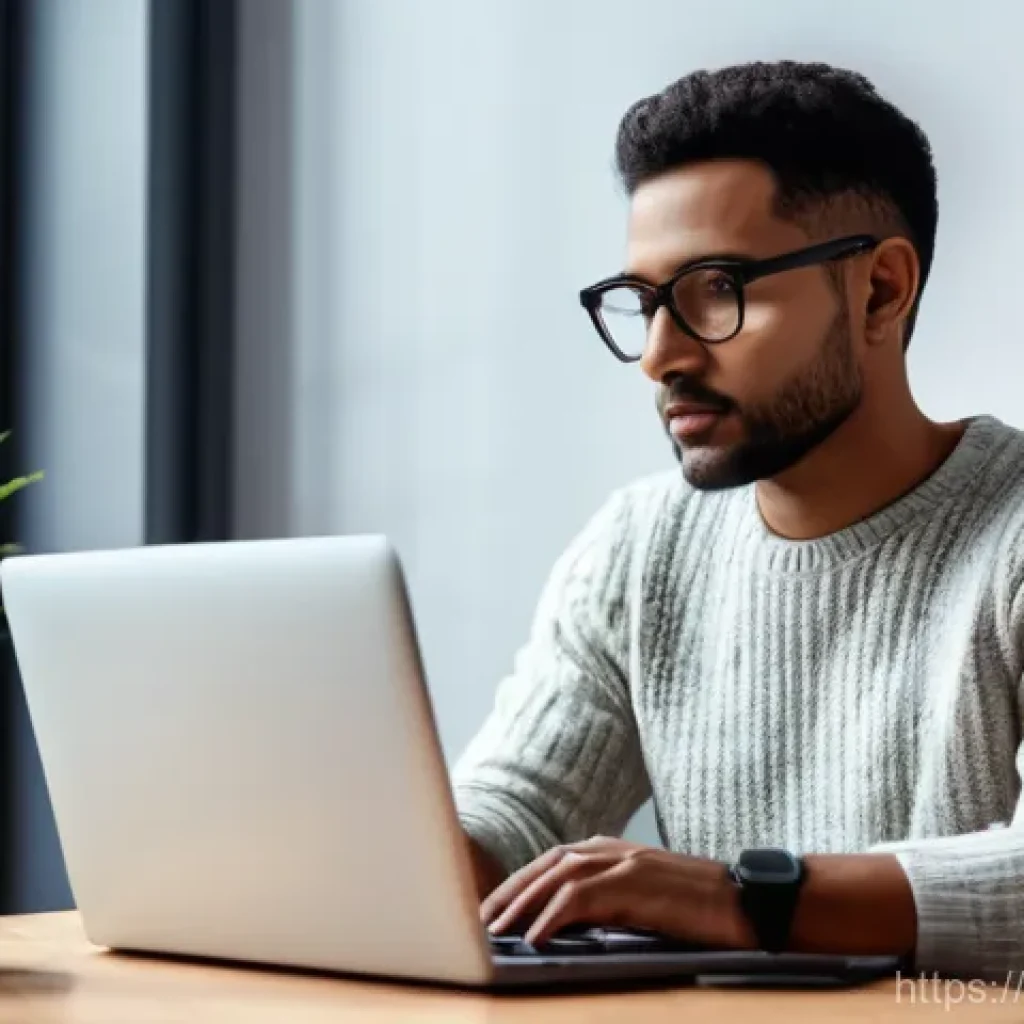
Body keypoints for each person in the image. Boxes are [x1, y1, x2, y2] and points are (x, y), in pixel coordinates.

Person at [450, 61, 1024, 980]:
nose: (661, 357)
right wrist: (374, 870)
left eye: (715, 289)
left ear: (880, 290)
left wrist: (737, 896)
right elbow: (513, 808)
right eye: (644, 301)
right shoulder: (641, 546)